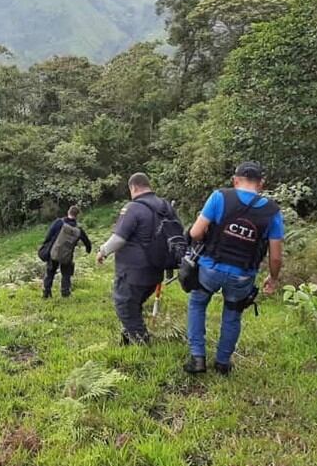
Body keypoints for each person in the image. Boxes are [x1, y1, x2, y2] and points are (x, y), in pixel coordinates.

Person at [183, 161, 285, 376]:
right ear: (261, 184)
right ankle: (222, 363)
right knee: (232, 314)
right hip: (242, 275)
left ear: (235, 180)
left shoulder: (220, 196)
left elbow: (195, 233)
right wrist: (273, 279)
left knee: (198, 304)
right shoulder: (272, 211)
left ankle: (197, 358)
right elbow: (275, 256)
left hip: (210, 268)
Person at [96, 173, 174, 345]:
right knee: (134, 304)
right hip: (156, 271)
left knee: (124, 306)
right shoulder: (165, 206)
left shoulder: (133, 208)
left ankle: (142, 345)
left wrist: (102, 251)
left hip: (133, 272)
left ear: (133, 187)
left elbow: (119, 239)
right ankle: (126, 341)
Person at [40, 205, 92, 298]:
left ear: (68, 212)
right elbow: (87, 242)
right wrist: (88, 250)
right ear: (77, 216)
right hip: (67, 255)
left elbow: (49, 235)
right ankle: (65, 293)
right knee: (66, 274)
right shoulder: (78, 230)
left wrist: (45, 245)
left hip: (54, 252)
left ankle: (46, 293)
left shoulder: (59, 222)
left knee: (50, 272)